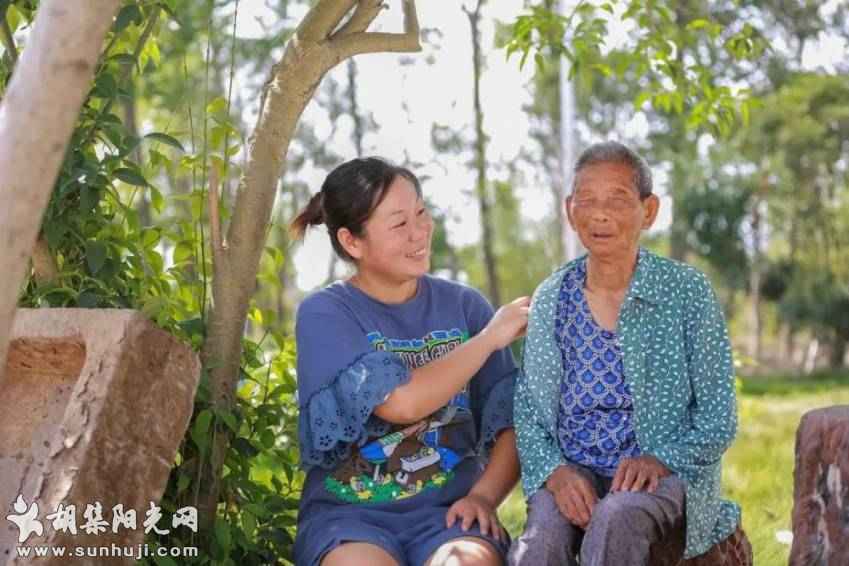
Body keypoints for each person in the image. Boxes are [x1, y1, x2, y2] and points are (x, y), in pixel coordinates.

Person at [509, 141, 742, 565]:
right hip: (574, 467)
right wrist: (556, 473)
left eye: (617, 200)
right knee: (541, 540)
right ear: (569, 210)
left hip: (664, 472)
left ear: (648, 211)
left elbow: (719, 418)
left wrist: (660, 459)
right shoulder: (552, 298)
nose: (600, 214)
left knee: (617, 516)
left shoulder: (686, 292)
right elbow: (528, 412)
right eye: (587, 200)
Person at [291, 156, 529, 566]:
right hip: (350, 518)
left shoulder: (465, 305)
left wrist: (484, 497)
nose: (419, 233)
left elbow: (510, 420)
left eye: (421, 213)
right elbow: (400, 403)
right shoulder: (325, 314)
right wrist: (489, 338)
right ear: (352, 242)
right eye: (399, 224)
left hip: (449, 516)